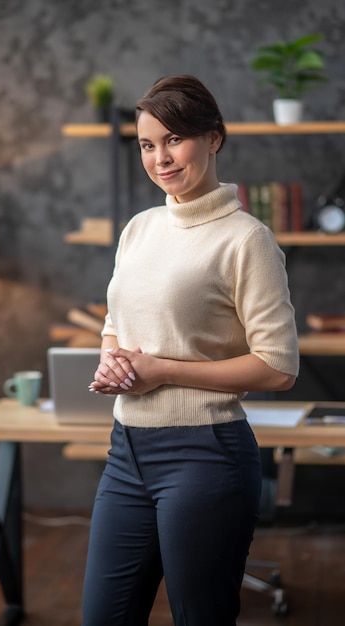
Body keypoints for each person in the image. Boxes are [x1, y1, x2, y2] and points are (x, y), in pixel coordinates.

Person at [82, 74, 299, 626]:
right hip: (126, 451)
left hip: (205, 456)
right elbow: (116, 322)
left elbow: (278, 368)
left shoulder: (247, 239)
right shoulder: (139, 229)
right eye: (148, 145)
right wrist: (114, 356)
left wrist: (159, 370)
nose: (161, 158)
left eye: (175, 139)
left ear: (214, 138)